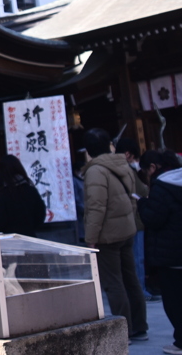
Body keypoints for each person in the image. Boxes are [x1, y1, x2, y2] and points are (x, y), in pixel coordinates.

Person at [81, 128, 148, 342]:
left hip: (107, 235)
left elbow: (96, 207)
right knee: (131, 280)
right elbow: (133, 196)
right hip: (127, 230)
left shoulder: (95, 171)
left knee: (114, 282)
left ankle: (123, 330)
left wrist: (90, 238)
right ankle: (139, 326)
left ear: (89, 150)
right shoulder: (123, 164)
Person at [139, 155, 182, 355]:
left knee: (175, 301)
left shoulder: (161, 187)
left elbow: (153, 218)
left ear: (153, 167)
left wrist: (142, 205)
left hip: (170, 254)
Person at [116, 137, 154, 301]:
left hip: (120, 219)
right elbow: (142, 192)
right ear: (128, 154)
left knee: (129, 258)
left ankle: (135, 290)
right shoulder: (127, 170)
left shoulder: (111, 169)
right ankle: (140, 290)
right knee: (137, 258)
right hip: (134, 219)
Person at [0, 154, 47, 236]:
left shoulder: (3, 194)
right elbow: (40, 214)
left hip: (9, 241)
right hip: (30, 238)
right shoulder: (30, 189)